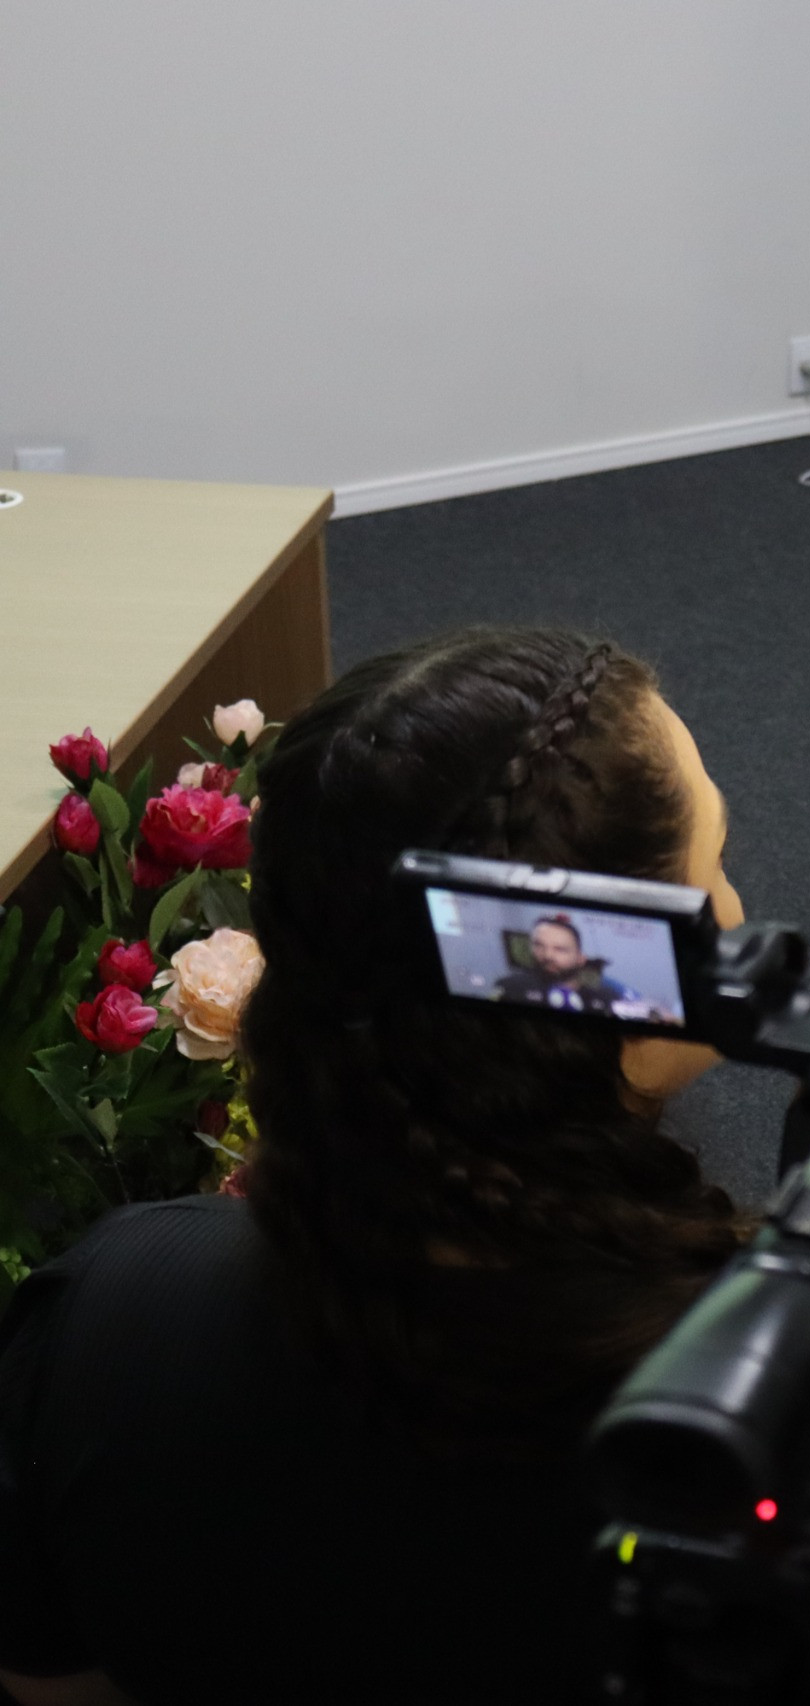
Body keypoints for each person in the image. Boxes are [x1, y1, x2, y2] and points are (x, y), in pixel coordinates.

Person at [0, 628, 750, 1706]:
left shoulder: (105, 1310)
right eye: (711, 869)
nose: (738, 914)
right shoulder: (770, 1411)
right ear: (600, 988)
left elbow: (47, 1679)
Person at [493, 911, 645, 1012]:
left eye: (560, 949)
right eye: (539, 946)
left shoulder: (607, 996)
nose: (547, 955)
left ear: (581, 959)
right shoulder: (509, 987)